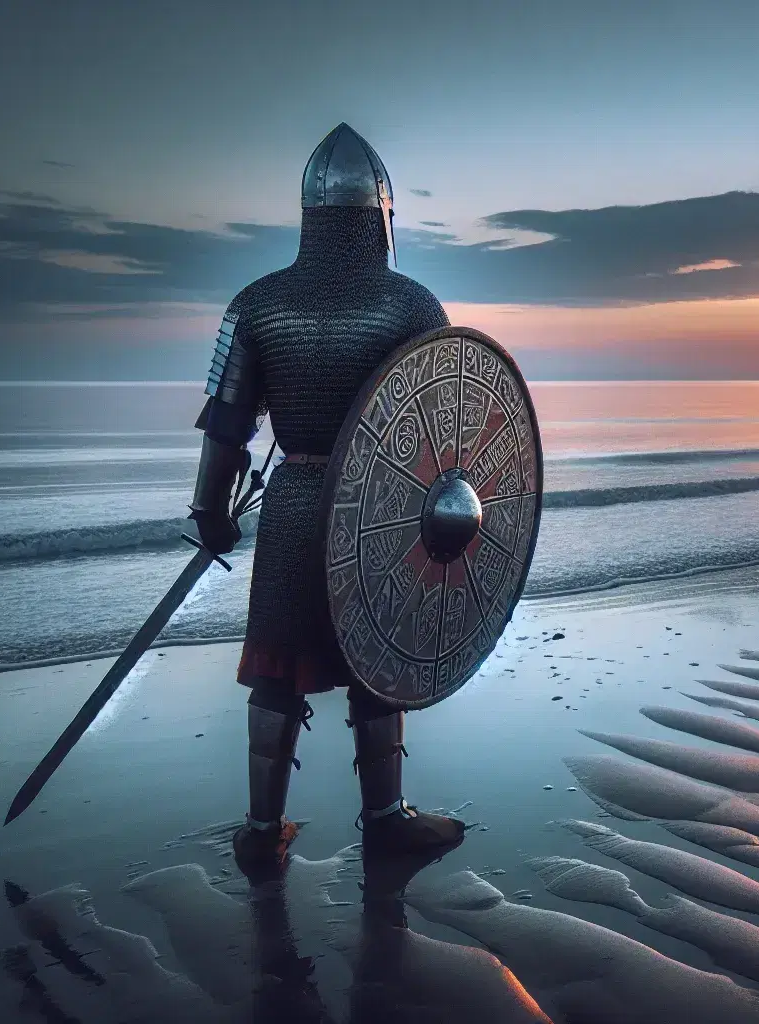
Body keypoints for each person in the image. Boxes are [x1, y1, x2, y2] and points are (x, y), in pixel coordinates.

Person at [189, 123, 465, 869]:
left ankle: (259, 832)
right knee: (375, 661)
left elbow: (226, 427)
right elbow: (443, 434)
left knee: (279, 669)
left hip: (292, 503)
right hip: (374, 510)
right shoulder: (410, 306)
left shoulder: (258, 305)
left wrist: (209, 513)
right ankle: (384, 817)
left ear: (309, 216)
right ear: (380, 217)